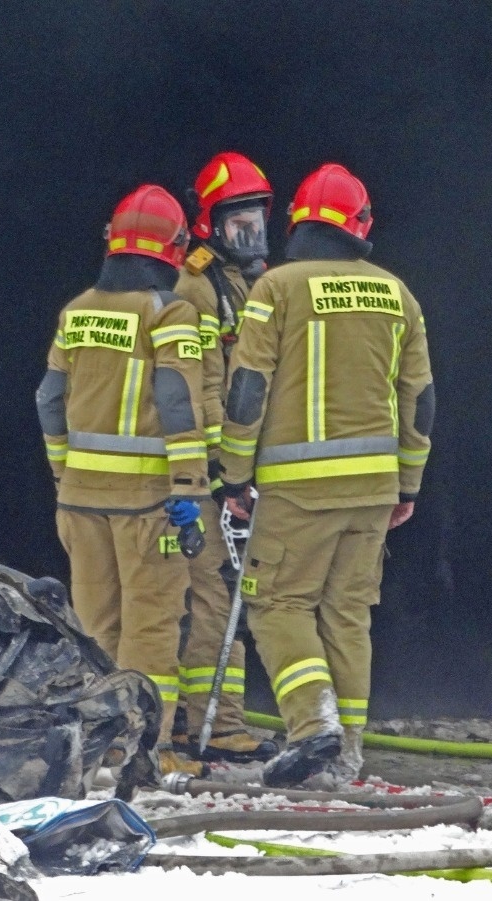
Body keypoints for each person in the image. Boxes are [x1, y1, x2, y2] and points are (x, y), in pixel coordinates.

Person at [220, 162, 434, 787]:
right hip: (373, 489)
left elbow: (248, 388)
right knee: (348, 615)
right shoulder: (398, 294)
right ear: (360, 224)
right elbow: (419, 399)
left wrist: (234, 474)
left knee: (278, 603)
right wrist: (410, 484)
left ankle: (313, 726)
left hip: (296, 489)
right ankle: (348, 757)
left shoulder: (276, 290)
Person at [35, 184, 213, 779]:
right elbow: (177, 400)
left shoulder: (77, 311)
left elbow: (50, 399)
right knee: (152, 629)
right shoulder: (169, 312)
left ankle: (98, 744)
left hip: (80, 500)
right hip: (149, 503)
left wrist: (64, 470)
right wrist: (189, 487)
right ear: (175, 247)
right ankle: (145, 750)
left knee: (95, 626)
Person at [170, 151, 280, 765]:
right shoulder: (194, 288)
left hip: (236, 467)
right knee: (214, 595)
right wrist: (222, 471)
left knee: (230, 592)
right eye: (238, 225)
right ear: (209, 224)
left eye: (257, 223)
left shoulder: (239, 283)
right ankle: (206, 726)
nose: (251, 237)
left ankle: (216, 721)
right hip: (211, 471)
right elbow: (204, 386)